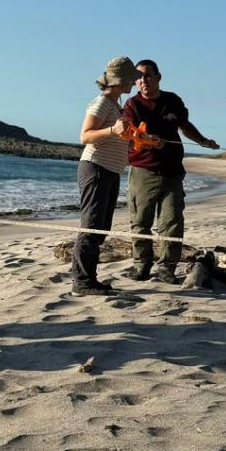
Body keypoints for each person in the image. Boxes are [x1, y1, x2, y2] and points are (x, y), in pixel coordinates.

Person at [122, 59, 219, 284]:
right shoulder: (131, 105)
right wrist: (147, 139)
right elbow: (128, 130)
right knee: (140, 222)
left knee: (172, 221)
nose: (143, 81)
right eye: (138, 77)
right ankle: (141, 266)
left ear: (158, 77)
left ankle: (167, 268)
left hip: (173, 172)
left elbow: (185, 125)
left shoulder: (173, 100)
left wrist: (203, 141)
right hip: (143, 171)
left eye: (147, 75)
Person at [70, 57, 141, 296]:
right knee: (91, 226)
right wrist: (112, 129)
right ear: (122, 80)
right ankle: (82, 282)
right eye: (133, 77)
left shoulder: (115, 105)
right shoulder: (102, 103)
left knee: (101, 227)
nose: (136, 81)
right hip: (96, 168)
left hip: (110, 170)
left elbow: (118, 138)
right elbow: (85, 136)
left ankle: (89, 279)